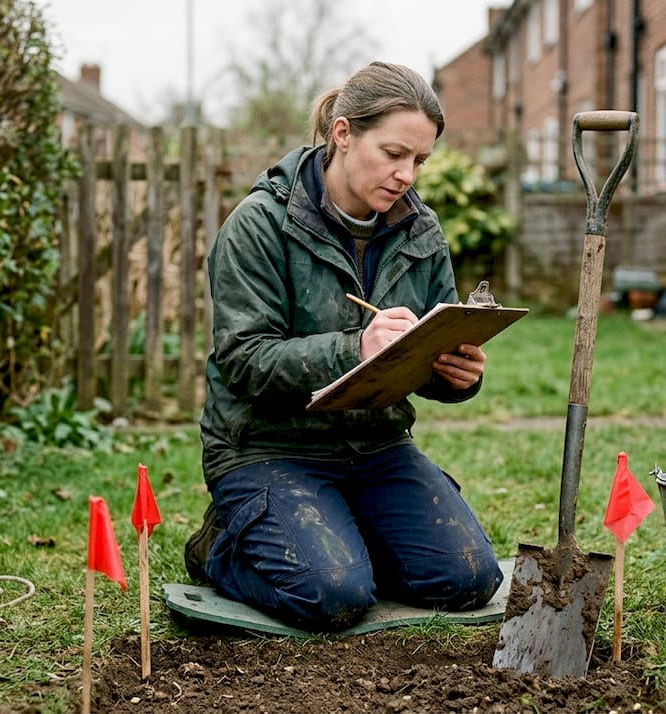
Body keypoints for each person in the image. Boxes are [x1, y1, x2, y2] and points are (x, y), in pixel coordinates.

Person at [185, 61, 503, 632]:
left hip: (376, 445)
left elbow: (430, 342)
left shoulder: (421, 233)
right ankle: (219, 548)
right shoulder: (260, 224)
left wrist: (455, 373)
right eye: (393, 153)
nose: (407, 174)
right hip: (267, 446)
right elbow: (243, 359)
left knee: (469, 580)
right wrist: (356, 348)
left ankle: (340, 534)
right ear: (343, 133)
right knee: (334, 595)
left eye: (419, 160)